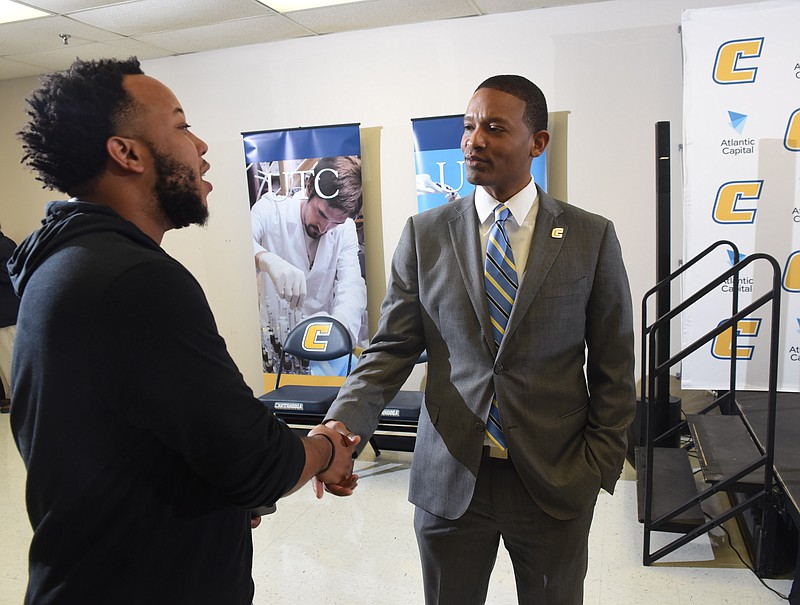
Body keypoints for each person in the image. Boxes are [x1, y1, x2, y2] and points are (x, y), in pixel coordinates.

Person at [9, 57, 359, 605]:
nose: (200, 147)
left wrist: (217, 498)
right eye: (181, 124)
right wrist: (326, 445)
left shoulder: (63, 263)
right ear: (127, 152)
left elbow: (118, 445)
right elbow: (257, 464)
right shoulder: (137, 281)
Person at [322, 75, 636, 604]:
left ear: (537, 142)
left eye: (494, 127)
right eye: (468, 126)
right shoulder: (424, 233)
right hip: (449, 478)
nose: (474, 140)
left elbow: (615, 363)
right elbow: (391, 349)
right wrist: (341, 424)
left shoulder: (589, 236)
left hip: (554, 479)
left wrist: (597, 465)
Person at [251, 155, 366, 372]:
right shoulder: (271, 211)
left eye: (335, 222)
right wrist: (266, 259)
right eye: (321, 214)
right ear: (308, 187)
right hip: (278, 348)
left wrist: (338, 330)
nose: (324, 227)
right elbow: (236, 245)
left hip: (324, 347)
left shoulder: (345, 230)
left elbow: (351, 286)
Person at [0, 223, 20, 413]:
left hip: (7, 314)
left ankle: (17, 398)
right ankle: (10, 397)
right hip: (4, 315)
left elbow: (11, 273)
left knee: (10, 358)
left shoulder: (3, 245)